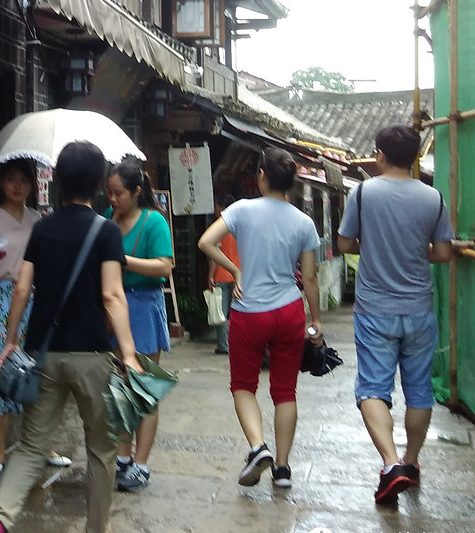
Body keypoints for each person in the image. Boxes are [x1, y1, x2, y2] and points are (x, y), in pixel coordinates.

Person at [0, 141, 142, 533]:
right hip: (92, 356)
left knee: (31, 448)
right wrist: (129, 351)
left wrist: (11, 340)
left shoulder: (42, 230)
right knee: (102, 450)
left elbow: (24, 288)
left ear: (60, 181)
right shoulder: (105, 231)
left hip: (43, 354)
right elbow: (111, 294)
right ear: (99, 185)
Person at [336, 124, 472, 505]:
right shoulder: (433, 197)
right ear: (414, 156)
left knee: (372, 389)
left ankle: (390, 463)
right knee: (419, 391)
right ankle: (410, 463)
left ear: (379, 154)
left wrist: (374, 245)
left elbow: (344, 242)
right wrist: (416, 250)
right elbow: (444, 253)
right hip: (418, 310)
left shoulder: (362, 192)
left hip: (375, 310)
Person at [198, 147, 321, 490]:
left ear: (261, 177)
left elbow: (205, 241)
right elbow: (309, 278)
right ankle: (282, 469)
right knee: (285, 391)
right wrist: (316, 320)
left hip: (249, 311)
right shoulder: (303, 222)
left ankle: (257, 447)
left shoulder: (241, 209)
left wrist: (235, 269)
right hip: (289, 311)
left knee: (243, 385)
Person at [0, 159, 71, 475]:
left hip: (38, 300)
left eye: (23, 180)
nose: (17, 186)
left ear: (31, 185)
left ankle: (42, 444)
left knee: (42, 371)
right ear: (1, 183)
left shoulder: (39, 220)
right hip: (4, 300)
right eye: (11, 179)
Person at [103, 156, 173, 493]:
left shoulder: (154, 222)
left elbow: (164, 267)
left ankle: (141, 464)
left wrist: (123, 258)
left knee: (144, 390)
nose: (113, 199)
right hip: (112, 308)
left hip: (143, 308)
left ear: (137, 192)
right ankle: (123, 458)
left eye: (119, 193)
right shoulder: (106, 220)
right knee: (119, 389)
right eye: (110, 193)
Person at [206, 195, 238, 356]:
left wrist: (210, 276)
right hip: (238, 276)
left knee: (221, 314)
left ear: (222, 208)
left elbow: (215, 256)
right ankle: (237, 343)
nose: (214, 210)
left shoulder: (220, 227)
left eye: (216, 206)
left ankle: (223, 346)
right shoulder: (239, 226)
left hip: (221, 276)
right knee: (237, 313)